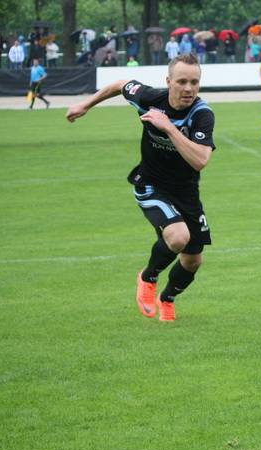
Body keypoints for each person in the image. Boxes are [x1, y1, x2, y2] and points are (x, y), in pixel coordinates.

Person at [66, 54, 216, 322]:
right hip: (151, 185)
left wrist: (168, 127)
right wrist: (86, 104)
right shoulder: (149, 97)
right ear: (168, 81)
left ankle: (167, 299)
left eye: (194, 82)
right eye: (182, 81)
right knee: (178, 237)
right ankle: (148, 277)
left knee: (193, 260)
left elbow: (201, 160)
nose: (189, 88)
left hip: (186, 192)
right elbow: (119, 84)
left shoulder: (202, 114)